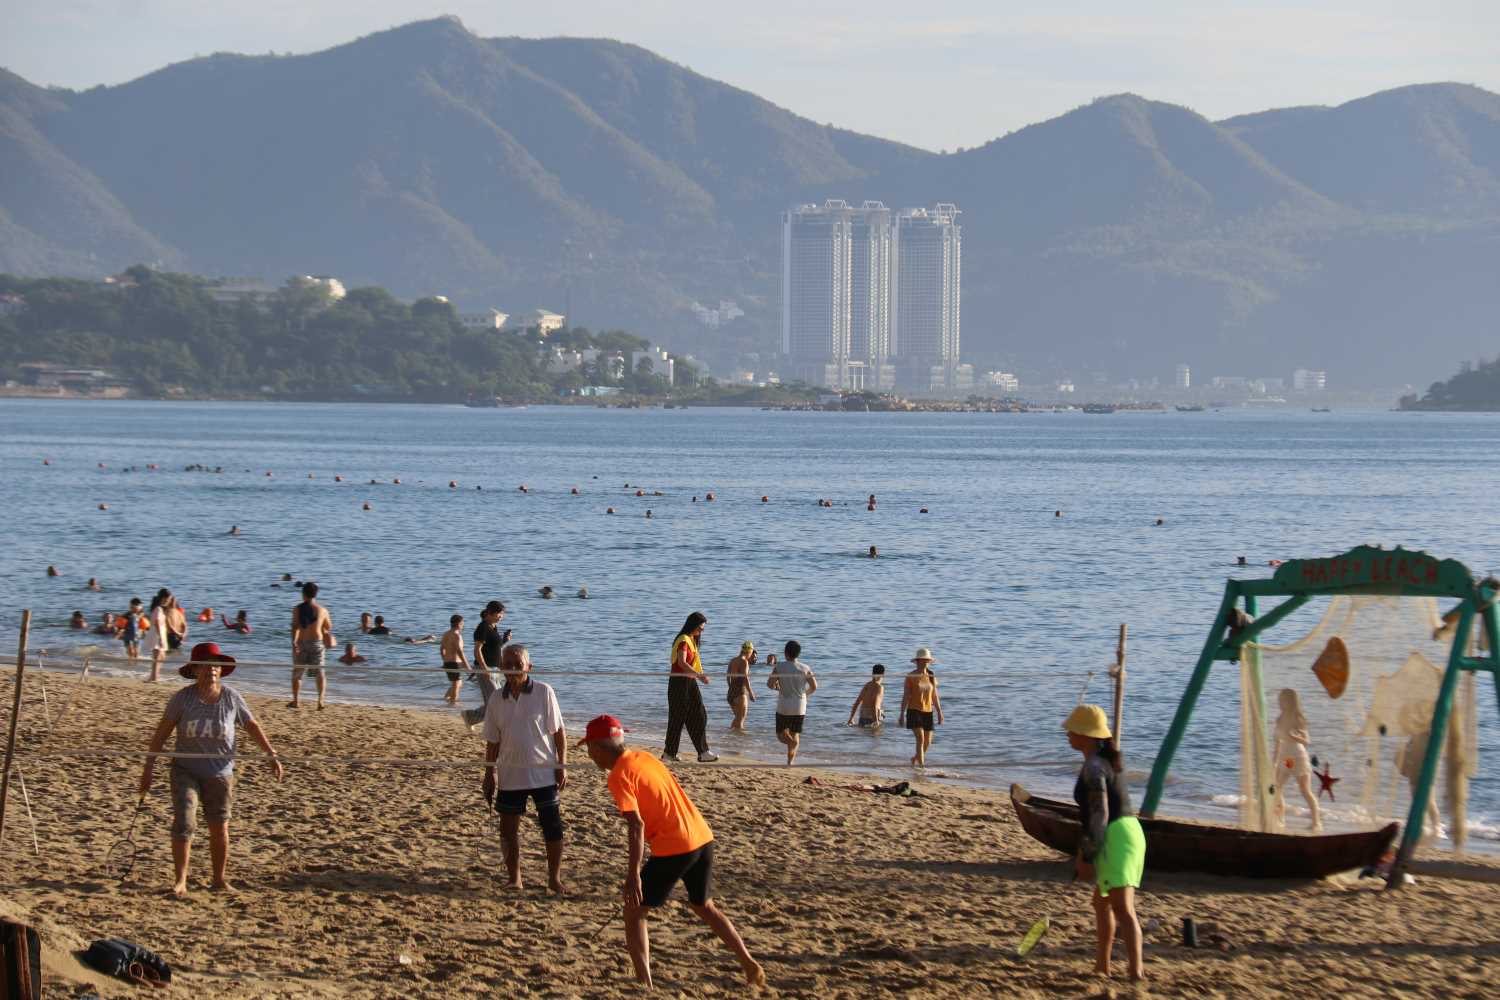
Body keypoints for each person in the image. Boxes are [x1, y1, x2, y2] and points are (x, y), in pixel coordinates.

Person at [578, 714, 766, 990]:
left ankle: (645, 984)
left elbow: (635, 826)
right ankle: (748, 962)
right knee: (703, 905)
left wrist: (633, 875)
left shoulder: (619, 776)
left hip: (675, 847)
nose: (589, 755)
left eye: (588, 748)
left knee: (633, 912)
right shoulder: (645, 757)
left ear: (597, 747)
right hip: (702, 837)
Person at [139, 641, 283, 895]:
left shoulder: (231, 697)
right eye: (205, 666)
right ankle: (180, 881)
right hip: (185, 770)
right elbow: (161, 735)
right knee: (184, 821)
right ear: (195, 670)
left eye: (215, 665)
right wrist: (148, 769)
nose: (211, 670)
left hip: (220, 773)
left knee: (219, 825)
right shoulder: (182, 698)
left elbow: (251, 726)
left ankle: (218, 879)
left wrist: (270, 754)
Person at [1064, 704, 1145, 982]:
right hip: (1125, 831)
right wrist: (1083, 852)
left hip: (1116, 836)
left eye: (1072, 730)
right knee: (1101, 903)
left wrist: (1087, 856)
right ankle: (1102, 966)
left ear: (1085, 735)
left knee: (1123, 907)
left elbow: (1099, 814)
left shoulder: (1096, 767)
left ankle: (1136, 972)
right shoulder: (1100, 760)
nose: (1067, 734)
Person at [480, 644, 567, 893]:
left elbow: (559, 732)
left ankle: (554, 879)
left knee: (552, 827)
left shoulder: (544, 692)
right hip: (510, 775)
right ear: (501, 667)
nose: (512, 668)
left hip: (544, 773)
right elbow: (492, 741)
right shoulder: (497, 698)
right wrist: (489, 774)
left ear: (529, 667)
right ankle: (514, 879)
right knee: (508, 829)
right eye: (507, 664)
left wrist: (561, 766)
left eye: (517, 664)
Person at [665, 612, 717, 763]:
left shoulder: (691, 639)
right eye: (700, 628)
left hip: (689, 682)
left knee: (699, 715)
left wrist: (698, 675)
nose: (702, 631)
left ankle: (703, 752)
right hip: (679, 683)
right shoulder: (683, 640)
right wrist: (700, 676)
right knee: (677, 719)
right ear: (693, 625)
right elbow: (681, 663)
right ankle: (669, 753)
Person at [1273, 688, 1321, 831]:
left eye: (1283, 700)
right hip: (1286, 757)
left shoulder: (1298, 719)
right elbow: (1277, 743)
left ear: (1290, 702)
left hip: (1298, 756)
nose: (1280, 702)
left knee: (1305, 790)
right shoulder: (1280, 719)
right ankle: (1280, 819)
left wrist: (1295, 736)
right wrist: (1273, 761)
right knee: (1277, 788)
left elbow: (1307, 741)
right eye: (1280, 699)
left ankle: (1316, 822)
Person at [767, 640, 816, 766]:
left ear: (785, 653)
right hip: (800, 706)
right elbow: (814, 687)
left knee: (780, 734)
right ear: (798, 654)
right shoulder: (806, 668)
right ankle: (790, 762)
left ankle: (791, 745)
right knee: (795, 734)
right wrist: (805, 694)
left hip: (784, 706)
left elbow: (770, 684)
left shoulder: (779, 667)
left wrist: (777, 686)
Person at [463, 601, 511, 729]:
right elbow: (477, 650)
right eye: (499, 614)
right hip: (484, 668)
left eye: (502, 614)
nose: (501, 616)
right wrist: (485, 669)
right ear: (490, 613)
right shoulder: (483, 627)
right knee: (495, 700)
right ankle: (473, 717)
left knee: (498, 699)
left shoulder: (493, 627)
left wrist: (504, 640)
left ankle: (471, 717)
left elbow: (495, 648)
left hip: (495, 668)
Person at [289, 581, 334, 709]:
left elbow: (295, 627)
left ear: (303, 594)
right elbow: (328, 626)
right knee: (320, 672)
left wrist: (294, 643)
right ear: (316, 594)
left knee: (298, 673)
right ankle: (320, 701)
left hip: (302, 643)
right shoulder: (322, 610)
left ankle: (296, 701)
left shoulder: (297, 609)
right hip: (316, 643)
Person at [899, 648, 943, 767]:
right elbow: (906, 696)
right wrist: (902, 713)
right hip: (914, 710)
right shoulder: (911, 676)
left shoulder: (931, 675)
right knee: (921, 738)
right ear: (917, 661)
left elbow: (934, 695)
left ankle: (915, 758)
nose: (925, 662)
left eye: (927, 660)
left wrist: (939, 712)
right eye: (923, 660)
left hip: (928, 711)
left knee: (928, 741)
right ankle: (922, 767)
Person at [725, 641, 757, 733]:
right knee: (740, 720)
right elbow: (745, 678)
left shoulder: (732, 660)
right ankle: (738, 742)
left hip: (731, 693)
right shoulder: (744, 662)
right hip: (740, 692)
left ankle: (730, 737)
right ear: (749, 651)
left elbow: (727, 677)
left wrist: (730, 688)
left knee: (738, 718)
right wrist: (750, 692)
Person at [147, 589, 176, 683]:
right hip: (157, 633)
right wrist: (161, 638)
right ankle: (154, 678)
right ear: (164, 598)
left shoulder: (160, 608)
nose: (169, 601)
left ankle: (153, 677)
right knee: (158, 656)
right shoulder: (158, 609)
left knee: (161, 656)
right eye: (169, 599)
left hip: (159, 633)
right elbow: (157, 623)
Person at [439, 614, 469, 705]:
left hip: (448, 662)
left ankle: (447, 698)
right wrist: (467, 665)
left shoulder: (446, 634)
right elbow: (459, 651)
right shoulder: (457, 635)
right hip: (455, 662)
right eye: (462, 623)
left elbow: (442, 649)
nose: (463, 625)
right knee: (456, 684)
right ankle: (453, 703)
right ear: (459, 623)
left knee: (458, 683)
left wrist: (444, 660)